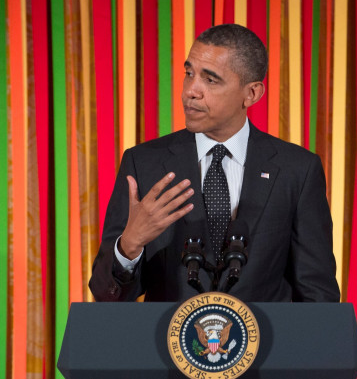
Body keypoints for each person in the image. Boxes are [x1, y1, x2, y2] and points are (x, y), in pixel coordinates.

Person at [89, 24, 340, 303]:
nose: (191, 91)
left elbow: (319, 296)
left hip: (269, 344)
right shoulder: (143, 164)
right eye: (189, 74)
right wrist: (129, 245)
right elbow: (105, 295)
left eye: (211, 80)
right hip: (168, 344)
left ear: (252, 94)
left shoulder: (298, 171)